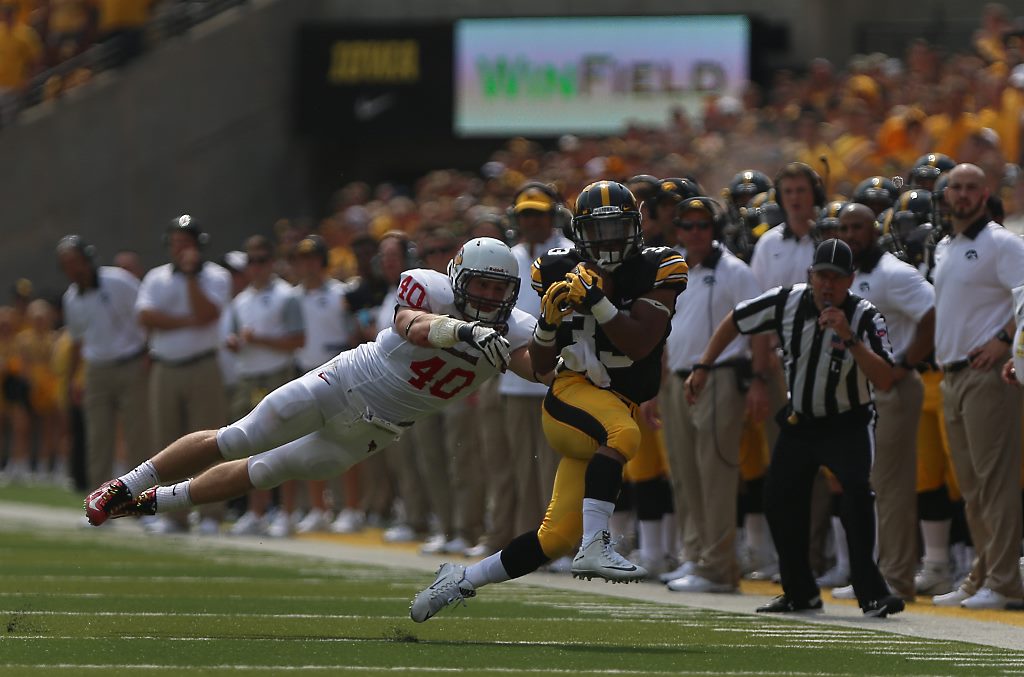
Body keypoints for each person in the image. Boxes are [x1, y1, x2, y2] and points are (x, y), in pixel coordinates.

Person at [83, 238, 536, 549]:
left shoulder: (514, 329)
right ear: (458, 277)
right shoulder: (430, 288)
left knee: (263, 471)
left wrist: (556, 333)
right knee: (239, 437)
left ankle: (149, 503)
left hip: (374, 432)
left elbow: (537, 369)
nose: (490, 297)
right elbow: (411, 326)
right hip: (342, 385)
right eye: (482, 285)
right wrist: (464, 330)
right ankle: (124, 484)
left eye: (499, 290)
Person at [409, 180, 689, 623]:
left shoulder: (660, 265)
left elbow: (639, 343)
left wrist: (596, 301)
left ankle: (459, 580)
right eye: (597, 232)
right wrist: (548, 323)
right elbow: (541, 365)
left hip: (614, 403)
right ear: (579, 233)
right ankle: (597, 543)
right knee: (624, 434)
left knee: (553, 538)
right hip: (572, 396)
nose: (608, 241)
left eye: (616, 228)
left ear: (635, 228)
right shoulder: (557, 267)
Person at [688, 238, 904, 618]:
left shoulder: (865, 315)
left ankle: (872, 592)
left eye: (836, 278)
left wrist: (849, 339)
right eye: (822, 275)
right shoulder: (786, 301)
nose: (828, 285)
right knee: (779, 500)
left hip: (847, 422)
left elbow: (885, 379)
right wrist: (704, 365)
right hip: (800, 421)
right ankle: (799, 592)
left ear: (851, 280)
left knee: (856, 497)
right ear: (810, 275)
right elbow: (736, 320)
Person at [659, 196, 768, 593]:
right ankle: (695, 556)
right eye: (686, 226)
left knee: (715, 474)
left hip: (720, 377)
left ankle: (719, 567)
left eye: (702, 225)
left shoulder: (734, 271)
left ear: (715, 229)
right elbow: (668, 329)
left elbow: (757, 327)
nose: (694, 233)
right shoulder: (672, 269)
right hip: (678, 378)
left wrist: (757, 379)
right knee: (685, 474)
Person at [931, 163, 1024, 609]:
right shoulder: (946, 245)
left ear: (985, 194)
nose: (963, 195)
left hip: (984, 373)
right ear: (947, 195)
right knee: (970, 485)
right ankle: (984, 574)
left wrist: (1004, 340)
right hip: (950, 373)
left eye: (971, 188)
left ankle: (1004, 582)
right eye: (956, 188)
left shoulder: (1000, 242)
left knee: (994, 483)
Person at [835, 203, 936, 602]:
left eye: (858, 227)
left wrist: (905, 362)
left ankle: (896, 577)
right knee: (871, 483)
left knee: (891, 486)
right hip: (863, 390)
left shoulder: (893, 273)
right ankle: (876, 571)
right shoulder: (847, 275)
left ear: (874, 229)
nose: (851, 233)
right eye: (844, 227)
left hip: (892, 387)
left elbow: (934, 312)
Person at [132, 215, 232, 534]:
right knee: (166, 441)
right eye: (176, 243)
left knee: (209, 441)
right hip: (165, 366)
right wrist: (186, 321)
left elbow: (208, 313)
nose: (180, 249)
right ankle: (172, 515)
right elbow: (146, 317)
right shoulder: (156, 277)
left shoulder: (215, 276)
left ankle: (211, 514)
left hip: (203, 364)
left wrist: (191, 277)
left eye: (186, 243)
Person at [58, 235, 150, 494]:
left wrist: (148, 353)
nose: (71, 269)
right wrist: (74, 378)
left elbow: (146, 313)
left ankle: (139, 500)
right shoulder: (71, 298)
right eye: (65, 264)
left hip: (131, 362)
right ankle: (98, 504)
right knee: (98, 439)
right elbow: (77, 341)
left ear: (87, 258)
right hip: (96, 369)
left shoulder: (119, 281)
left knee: (137, 436)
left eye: (75, 261)